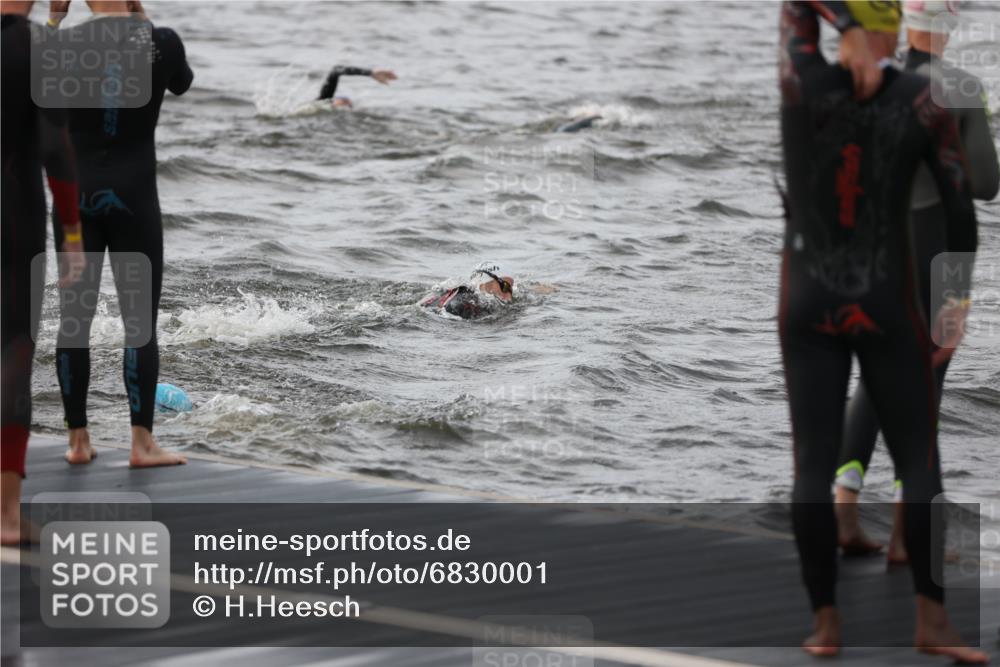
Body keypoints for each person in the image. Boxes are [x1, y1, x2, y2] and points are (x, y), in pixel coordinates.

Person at [778, 1, 986, 662]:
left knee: (809, 463)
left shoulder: (800, 83)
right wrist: (952, 303)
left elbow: (795, 11)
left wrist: (844, 32)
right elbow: (966, 204)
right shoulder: (929, 99)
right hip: (886, 294)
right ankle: (931, 618)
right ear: (895, 27)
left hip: (807, 298)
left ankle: (826, 625)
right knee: (921, 454)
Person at [834, 0, 1000, 561]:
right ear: (952, 25)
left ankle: (844, 505)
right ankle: (912, 533)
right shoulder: (961, 86)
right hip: (948, 258)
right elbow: (985, 185)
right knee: (928, 381)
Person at [48, 0, 192, 468]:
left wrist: (54, 19)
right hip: (134, 197)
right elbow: (182, 84)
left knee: (74, 320)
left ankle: (77, 442)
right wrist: (141, 20)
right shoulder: (161, 40)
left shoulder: (61, 44)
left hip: (75, 200)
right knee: (139, 324)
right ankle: (140, 444)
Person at [1, 0, 86, 544]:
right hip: (15, 216)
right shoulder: (40, 47)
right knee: (12, 350)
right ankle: (6, 514)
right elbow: (57, 148)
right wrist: (72, 235)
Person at [420, 262, 515, 320]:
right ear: (485, 281)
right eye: (505, 286)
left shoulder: (458, 293)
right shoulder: (465, 303)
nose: (509, 296)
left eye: (511, 289)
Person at [317, 65, 397, 108]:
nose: (344, 103)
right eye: (343, 101)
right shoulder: (322, 102)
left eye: (347, 104)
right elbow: (335, 71)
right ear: (333, 102)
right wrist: (371, 73)